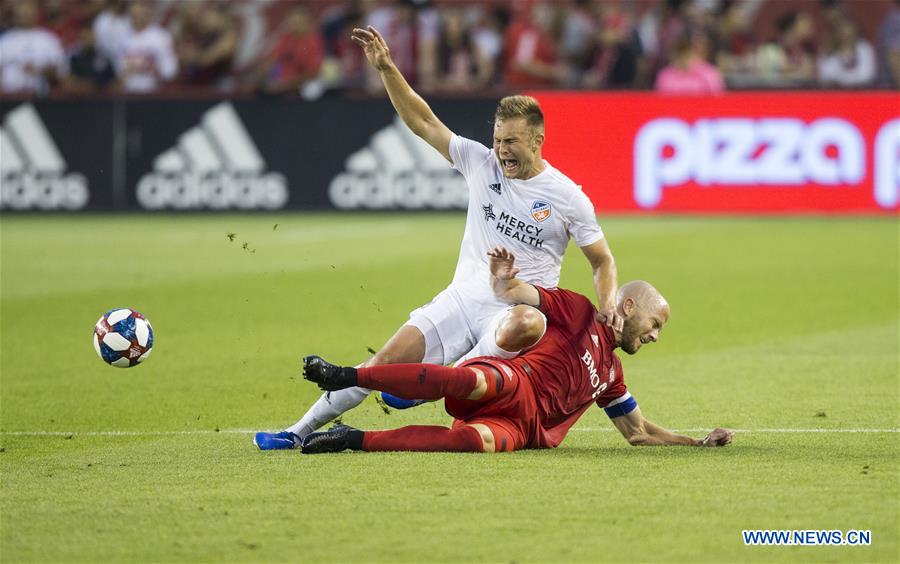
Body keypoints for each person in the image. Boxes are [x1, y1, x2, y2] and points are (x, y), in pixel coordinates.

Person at [253, 25, 619, 450]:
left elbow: (602, 261)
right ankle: (297, 431)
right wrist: (388, 69)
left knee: (528, 321)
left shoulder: (567, 197)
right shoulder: (481, 164)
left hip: (512, 316)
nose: (501, 150)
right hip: (463, 299)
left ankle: (432, 386)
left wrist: (608, 303)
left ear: (538, 140)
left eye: (512, 142)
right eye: (497, 139)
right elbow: (423, 121)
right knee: (383, 361)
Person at [298, 246, 733, 454]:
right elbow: (517, 293)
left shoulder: (612, 377)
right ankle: (347, 376)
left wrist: (696, 442)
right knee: (472, 377)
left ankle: (352, 439)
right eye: (655, 324)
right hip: (510, 385)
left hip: (524, 432)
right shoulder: (578, 310)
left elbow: (638, 432)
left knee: (472, 443)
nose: (656, 336)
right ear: (629, 306)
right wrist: (504, 277)